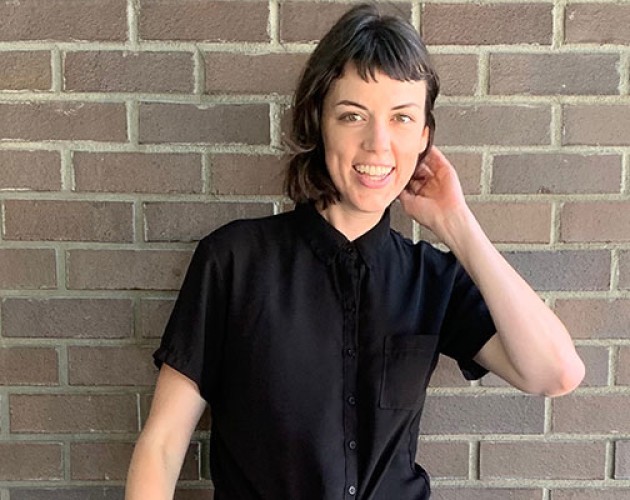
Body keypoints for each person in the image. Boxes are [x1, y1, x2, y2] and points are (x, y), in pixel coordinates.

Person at [125, 4, 585, 499]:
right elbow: (164, 444)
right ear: (318, 122)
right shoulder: (235, 261)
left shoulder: (432, 280)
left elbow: (556, 373)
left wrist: (457, 225)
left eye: (402, 118)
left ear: (425, 137)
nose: (377, 144)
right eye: (352, 116)